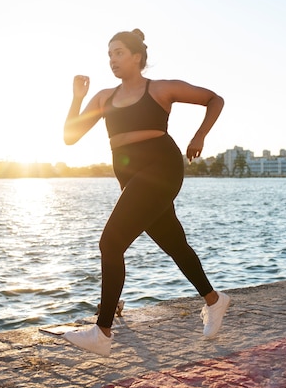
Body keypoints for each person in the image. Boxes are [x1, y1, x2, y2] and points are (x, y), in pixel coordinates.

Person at [62, 28, 230, 356]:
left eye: (119, 52)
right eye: (109, 54)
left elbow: (214, 99)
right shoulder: (103, 97)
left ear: (137, 57)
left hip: (161, 168)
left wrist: (199, 136)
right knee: (174, 244)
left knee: (110, 242)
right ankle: (215, 300)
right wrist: (77, 98)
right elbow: (70, 136)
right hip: (131, 177)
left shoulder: (160, 89)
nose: (113, 59)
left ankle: (103, 331)